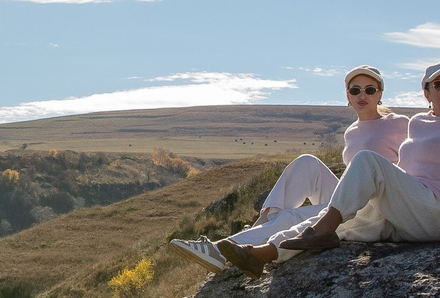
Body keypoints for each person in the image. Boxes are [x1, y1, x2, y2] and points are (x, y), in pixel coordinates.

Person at [216, 61, 440, 273]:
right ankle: (262, 254)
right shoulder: (418, 123)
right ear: (427, 92)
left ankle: (322, 227)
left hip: (436, 213)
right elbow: (405, 173)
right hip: (408, 212)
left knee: (366, 161)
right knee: (339, 227)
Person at [171, 67, 409, 272]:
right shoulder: (352, 132)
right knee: (306, 162)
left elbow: (414, 166)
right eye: (355, 90)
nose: (362, 95)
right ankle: (262, 225)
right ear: (347, 96)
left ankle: (218, 251)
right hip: (350, 200)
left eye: (370, 89)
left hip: (375, 208)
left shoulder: (399, 124)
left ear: (380, 94)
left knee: (290, 217)